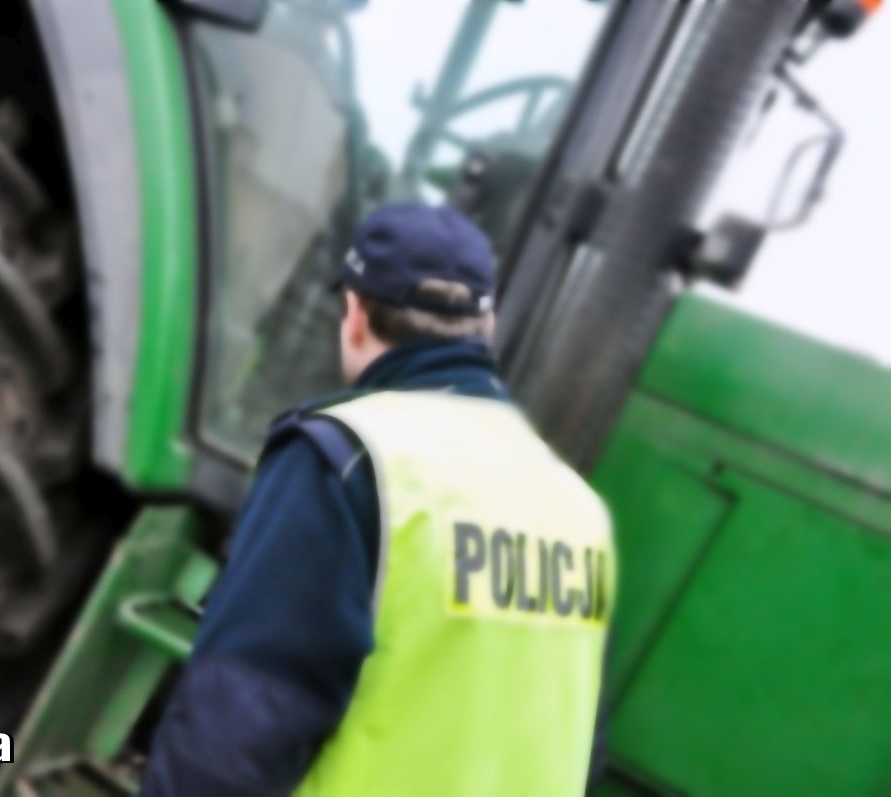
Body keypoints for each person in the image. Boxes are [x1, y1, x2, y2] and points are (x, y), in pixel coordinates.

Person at [141, 202, 615, 797]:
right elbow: (581, 748)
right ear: (485, 329)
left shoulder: (348, 457)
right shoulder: (577, 512)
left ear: (355, 314)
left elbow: (237, 726)